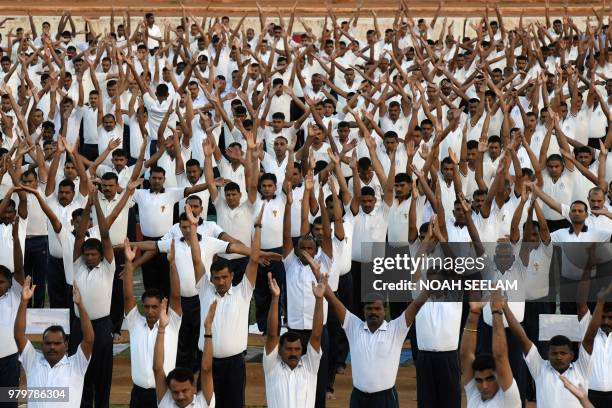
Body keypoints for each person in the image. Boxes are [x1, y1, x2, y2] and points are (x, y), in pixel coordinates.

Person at [323, 279, 427, 407]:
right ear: (364, 311)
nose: (373, 312)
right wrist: (320, 280)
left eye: (378, 308)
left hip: (385, 399)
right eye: (370, 308)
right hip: (358, 399)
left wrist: (429, 289)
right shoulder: (353, 326)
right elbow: (333, 302)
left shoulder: (396, 328)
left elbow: (416, 305)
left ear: (385, 311)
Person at [14, 277, 94, 407]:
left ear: (66, 345)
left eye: (57, 343)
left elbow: (89, 339)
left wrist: (80, 305)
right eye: (48, 343)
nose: (52, 347)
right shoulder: (33, 361)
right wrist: (24, 301)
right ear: (42, 345)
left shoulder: (76, 365)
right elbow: (18, 335)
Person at [69, 185, 116, 407]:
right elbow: (80, 235)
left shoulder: (108, 267)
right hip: (80, 324)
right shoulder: (77, 265)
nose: (88, 258)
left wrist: (96, 204)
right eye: (86, 254)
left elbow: (105, 234)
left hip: (102, 325)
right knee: (81, 369)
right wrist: (87, 206)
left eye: (93, 255)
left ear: (101, 255)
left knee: (103, 372)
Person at [123, 238, 182, 408]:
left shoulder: (172, 323)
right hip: (138, 394)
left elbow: (176, 296)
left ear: (162, 305)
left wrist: (172, 264)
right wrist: (128, 262)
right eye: (147, 307)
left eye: (154, 307)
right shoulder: (135, 323)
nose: (150, 311)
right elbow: (128, 296)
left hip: (164, 393)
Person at [263, 266, 327, 408]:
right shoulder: (272, 366)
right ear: (279, 350)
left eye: (297, 349)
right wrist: (275, 298)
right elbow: (272, 335)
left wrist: (319, 299)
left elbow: (316, 335)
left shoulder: (309, 366)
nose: (294, 353)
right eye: (289, 349)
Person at [153, 298, 217, 408]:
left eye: (185, 390)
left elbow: (206, 369)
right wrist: (161, 328)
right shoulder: (166, 401)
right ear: (169, 390)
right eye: (175, 392)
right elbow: (157, 368)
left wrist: (208, 330)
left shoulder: (203, 403)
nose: (180, 396)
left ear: (194, 388)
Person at [461, 294, 522, 407]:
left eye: (490, 379)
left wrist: (496, 312)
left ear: (498, 376)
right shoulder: (474, 393)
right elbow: (466, 355)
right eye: (479, 380)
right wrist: (474, 313)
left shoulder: (508, 397)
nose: (484, 386)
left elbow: (500, 356)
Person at [0, 219, 25, 408]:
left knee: (8, 403)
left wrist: (16, 238)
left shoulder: (15, 295)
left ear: (9, 282)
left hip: (9, 360)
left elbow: (19, 268)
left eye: (1, 282)